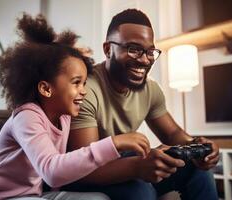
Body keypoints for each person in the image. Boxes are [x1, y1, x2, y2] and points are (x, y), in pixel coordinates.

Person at [0, 13, 152, 200]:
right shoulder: (26, 117)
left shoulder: (64, 118)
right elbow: (51, 171)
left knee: (99, 199)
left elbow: (59, 179)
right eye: (76, 83)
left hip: (34, 195)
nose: (84, 91)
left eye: (84, 83)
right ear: (46, 89)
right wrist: (114, 143)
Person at [63, 9, 220, 200]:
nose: (145, 60)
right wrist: (138, 166)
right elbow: (83, 167)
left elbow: (172, 134)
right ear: (108, 49)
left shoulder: (150, 89)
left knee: (199, 172)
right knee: (140, 190)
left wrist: (196, 146)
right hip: (85, 173)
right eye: (134, 49)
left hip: (124, 162)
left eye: (150, 51)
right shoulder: (85, 89)